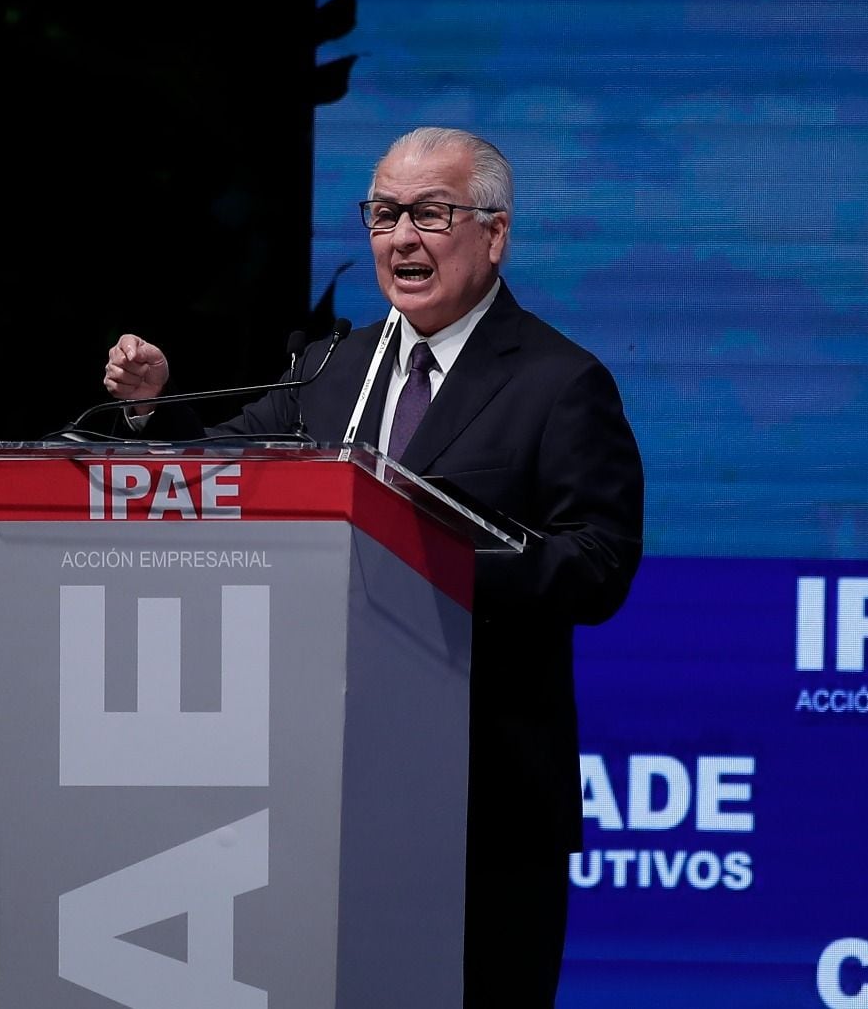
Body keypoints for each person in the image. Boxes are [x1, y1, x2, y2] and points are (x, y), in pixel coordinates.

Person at [103, 126, 643, 1007]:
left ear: (494, 233)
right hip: (318, 797)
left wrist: (419, 557)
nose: (402, 239)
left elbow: (598, 563)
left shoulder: (559, 381)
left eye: (430, 214)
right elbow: (222, 471)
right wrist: (148, 416)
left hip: (484, 804)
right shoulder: (332, 367)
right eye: (385, 214)